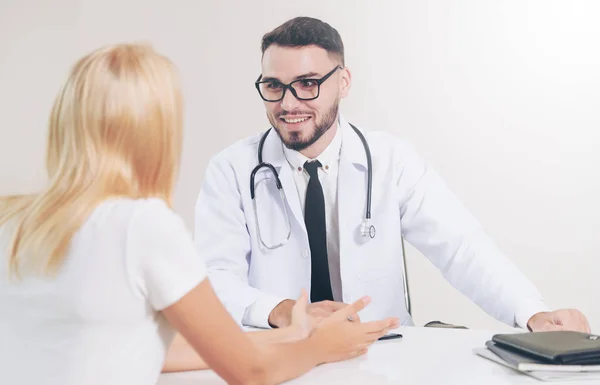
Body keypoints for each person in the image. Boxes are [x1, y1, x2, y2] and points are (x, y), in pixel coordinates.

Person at [0, 43, 399, 385]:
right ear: (157, 132)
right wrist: (320, 348)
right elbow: (251, 373)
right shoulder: (141, 225)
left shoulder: (12, 218)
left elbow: (163, 349)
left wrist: (291, 334)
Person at [194, 16, 591, 333]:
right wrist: (282, 310)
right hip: (277, 354)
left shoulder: (392, 159)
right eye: (274, 86)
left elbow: (461, 247)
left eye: (308, 84)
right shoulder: (231, 170)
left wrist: (532, 313)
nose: (288, 103)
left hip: (382, 355)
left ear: (343, 82)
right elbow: (214, 278)